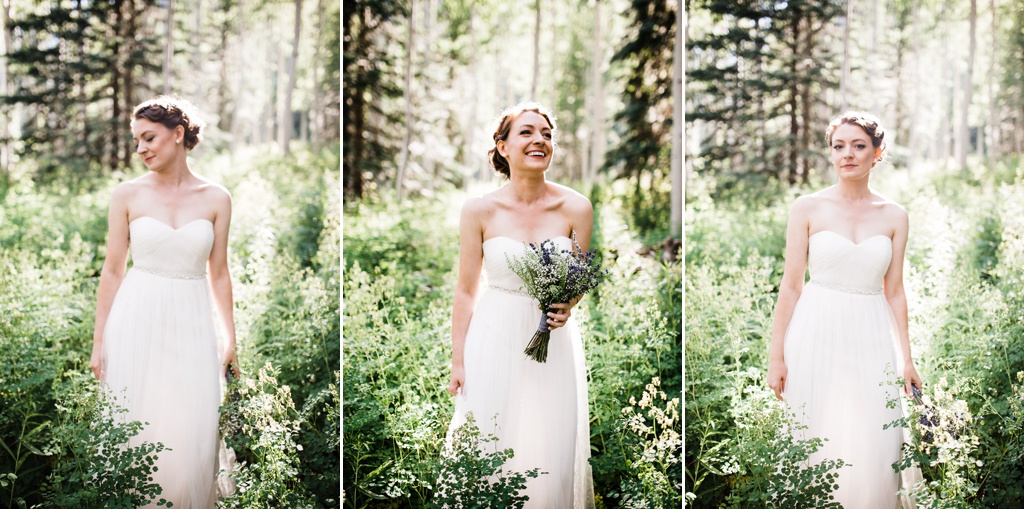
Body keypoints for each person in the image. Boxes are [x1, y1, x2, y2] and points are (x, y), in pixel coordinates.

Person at [766, 111, 923, 508]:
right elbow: (790, 286)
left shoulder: (894, 216)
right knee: (816, 433)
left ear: (877, 152)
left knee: (876, 440)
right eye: (839, 146)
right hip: (815, 332)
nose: (847, 155)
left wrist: (907, 359)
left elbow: (895, 291)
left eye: (858, 146)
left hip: (872, 335)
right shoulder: (807, 207)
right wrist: (776, 357)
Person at [443, 102, 596, 508]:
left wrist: (568, 304)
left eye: (546, 134)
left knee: (549, 445)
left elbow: (580, 276)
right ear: (503, 146)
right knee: (491, 439)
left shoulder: (576, 207)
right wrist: (459, 361)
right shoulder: (479, 210)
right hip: (493, 335)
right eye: (527, 132)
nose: (539, 140)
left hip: (553, 343)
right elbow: (465, 290)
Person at [90, 96, 239, 508]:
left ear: (178, 134)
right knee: (137, 423)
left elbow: (220, 273)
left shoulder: (217, 198)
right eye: (137, 141)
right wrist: (99, 343)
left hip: (192, 322)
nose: (141, 149)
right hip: (136, 319)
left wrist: (230, 339)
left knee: (190, 428)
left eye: (149, 137)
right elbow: (113, 271)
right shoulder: (127, 195)